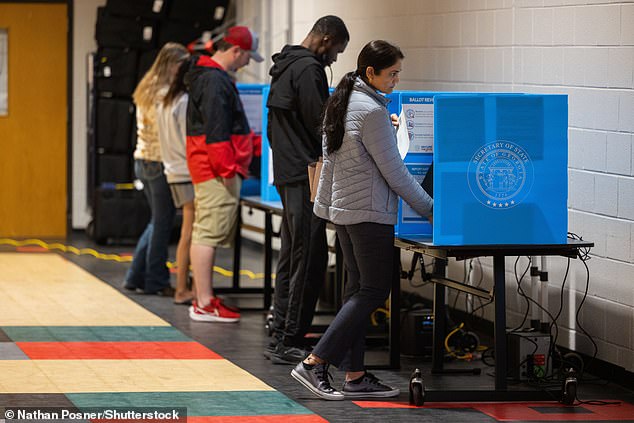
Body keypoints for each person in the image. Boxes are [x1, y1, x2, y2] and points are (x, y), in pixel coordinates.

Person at [291, 40, 433, 400]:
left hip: (345, 212)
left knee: (356, 290)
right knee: (373, 289)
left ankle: (354, 375)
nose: (397, 80)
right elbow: (396, 175)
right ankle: (314, 362)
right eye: (393, 73)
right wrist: (432, 209)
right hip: (368, 213)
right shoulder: (370, 111)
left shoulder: (346, 101)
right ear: (371, 72)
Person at [265, 15, 350, 364]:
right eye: (336, 51)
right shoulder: (309, 70)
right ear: (326, 38)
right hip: (306, 173)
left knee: (292, 251)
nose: (334, 59)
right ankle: (290, 338)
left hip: (287, 170)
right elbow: (322, 125)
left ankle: (282, 327)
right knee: (310, 255)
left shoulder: (284, 65)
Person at [185, 26, 263, 323]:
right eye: (247, 58)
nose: (247, 64)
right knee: (208, 232)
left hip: (212, 167)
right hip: (216, 169)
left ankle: (203, 298)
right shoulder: (215, 81)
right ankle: (204, 303)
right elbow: (217, 133)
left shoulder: (209, 77)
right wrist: (228, 169)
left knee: (206, 230)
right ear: (236, 51)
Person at [123, 42, 190, 296]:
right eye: (181, 65)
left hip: (142, 159)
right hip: (159, 163)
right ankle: (156, 280)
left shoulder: (146, 86)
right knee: (162, 223)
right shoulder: (165, 93)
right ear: (172, 64)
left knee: (157, 221)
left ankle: (134, 275)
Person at [156, 56, 196, 305]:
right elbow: (188, 140)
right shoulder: (183, 102)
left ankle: (185, 285)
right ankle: (182, 288)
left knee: (188, 232)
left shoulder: (164, 101)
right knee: (189, 233)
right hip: (185, 171)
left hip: (172, 169)